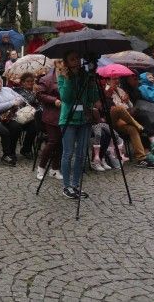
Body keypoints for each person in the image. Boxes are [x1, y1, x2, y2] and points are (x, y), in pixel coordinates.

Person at [57, 50, 99, 199]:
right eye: (72, 59)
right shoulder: (62, 77)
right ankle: (66, 186)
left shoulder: (86, 76)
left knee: (81, 154)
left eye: (77, 58)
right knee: (68, 153)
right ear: (67, 62)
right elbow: (66, 98)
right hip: (68, 119)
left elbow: (94, 97)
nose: (76, 61)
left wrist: (93, 81)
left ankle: (76, 185)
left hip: (84, 119)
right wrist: (69, 78)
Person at [0, 74, 29, 166]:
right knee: (14, 127)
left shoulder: (7, 89)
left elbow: (20, 98)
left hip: (13, 115)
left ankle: (16, 151)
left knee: (27, 126)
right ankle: (8, 153)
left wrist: (14, 102)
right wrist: (12, 102)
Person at [35, 66, 64, 180]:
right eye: (61, 62)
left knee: (61, 143)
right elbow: (39, 95)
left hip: (64, 115)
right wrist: (54, 100)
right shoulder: (47, 79)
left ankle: (55, 169)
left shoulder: (68, 77)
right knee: (53, 141)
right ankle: (41, 168)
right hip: (51, 115)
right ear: (57, 63)